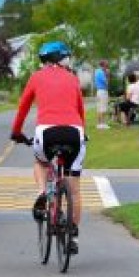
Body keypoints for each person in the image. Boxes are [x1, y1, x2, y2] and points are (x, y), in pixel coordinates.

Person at [10, 41, 87, 254]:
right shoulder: (72, 78)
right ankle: (73, 236)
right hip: (74, 132)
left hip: (46, 133)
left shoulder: (36, 77)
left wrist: (16, 132)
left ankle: (43, 191)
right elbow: (80, 111)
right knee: (75, 189)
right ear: (61, 59)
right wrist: (84, 133)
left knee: (40, 162)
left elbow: (23, 107)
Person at [95, 59, 110, 129]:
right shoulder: (101, 72)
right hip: (102, 91)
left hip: (99, 91)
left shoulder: (97, 71)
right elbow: (106, 83)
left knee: (99, 107)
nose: (107, 67)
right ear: (103, 65)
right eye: (106, 65)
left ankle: (99, 123)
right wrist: (107, 75)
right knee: (103, 107)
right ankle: (102, 124)